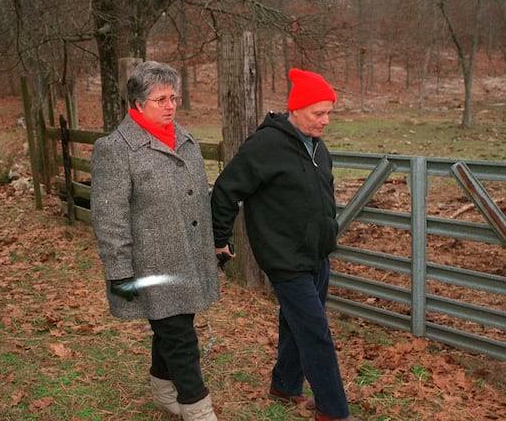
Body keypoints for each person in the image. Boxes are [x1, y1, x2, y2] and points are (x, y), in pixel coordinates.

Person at [210, 68, 358, 421]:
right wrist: (219, 238)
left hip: (316, 254)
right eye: (318, 113)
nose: (325, 121)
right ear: (296, 109)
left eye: (328, 114)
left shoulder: (318, 148)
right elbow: (225, 190)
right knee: (315, 331)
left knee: (298, 324)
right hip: (284, 257)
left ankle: (285, 385)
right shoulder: (265, 146)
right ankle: (334, 411)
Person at [90, 61, 220, 421]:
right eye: (160, 99)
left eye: (173, 97)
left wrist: (215, 244)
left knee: (175, 327)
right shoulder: (116, 149)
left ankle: (164, 392)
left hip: (188, 258)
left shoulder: (185, 140)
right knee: (180, 338)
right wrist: (118, 271)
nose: (170, 105)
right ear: (137, 103)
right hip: (151, 264)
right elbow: (108, 216)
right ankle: (198, 409)